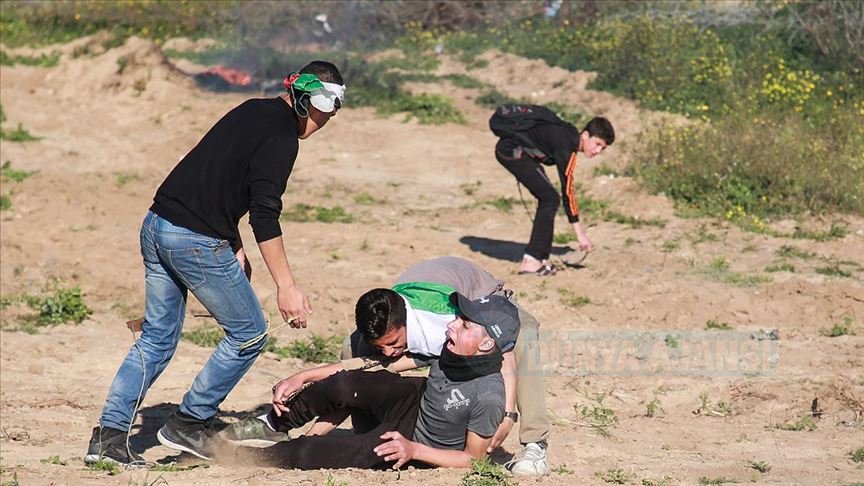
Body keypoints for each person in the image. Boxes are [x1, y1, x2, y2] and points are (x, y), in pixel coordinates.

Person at [84, 60, 346, 466]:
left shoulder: (251, 110)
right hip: (193, 240)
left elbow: (217, 180)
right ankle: (188, 423)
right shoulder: (282, 139)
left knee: (156, 338)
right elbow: (264, 214)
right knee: (248, 334)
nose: (324, 121)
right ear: (305, 99)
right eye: (323, 110)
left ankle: (109, 437)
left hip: (157, 224)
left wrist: (232, 241)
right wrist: (286, 286)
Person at [231, 257, 552, 475]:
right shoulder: (390, 312)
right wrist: (306, 376)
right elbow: (361, 365)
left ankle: (536, 444)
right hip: (426, 288)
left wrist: (507, 415)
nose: (388, 351)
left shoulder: (448, 324)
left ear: (407, 328)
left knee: (525, 335)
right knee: (353, 352)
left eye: (394, 344)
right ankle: (278, 425)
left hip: (481, 296)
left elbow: (504, 351)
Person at [490, 105, 615, 275]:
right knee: (550, 198)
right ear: (585, 135)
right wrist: (580, 234)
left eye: (603, 148)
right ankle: (531, 260)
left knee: (549, 198)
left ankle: (540, 257)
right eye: (598, 144)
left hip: (518, 152)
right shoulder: (566, 145)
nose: (598, 151)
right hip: (511, 152)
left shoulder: (568, 135)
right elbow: (568, 191)